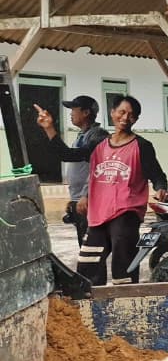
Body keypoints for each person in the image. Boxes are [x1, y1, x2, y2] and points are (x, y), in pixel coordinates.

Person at [34, 96, 168, 284]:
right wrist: (49, 128)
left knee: (123, 269)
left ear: (136, 119)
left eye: (131, 115)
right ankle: (95, 307)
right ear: (112, 113)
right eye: (121, 112)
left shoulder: (142, 146)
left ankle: (126, 307)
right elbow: (68, 155)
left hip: (126, 212)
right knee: (88, 267)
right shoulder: (99, 144)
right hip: (98, 214)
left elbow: (157, 175)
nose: (125, 117)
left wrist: (161, 188)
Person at [56, 94, 108, 248]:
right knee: (84, 245)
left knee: (90, 248)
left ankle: (92, 273)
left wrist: (86, 195)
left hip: (89, 201)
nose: (71, 113)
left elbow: (71, 156)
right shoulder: (82, 135)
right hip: (80, 200)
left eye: (74, 109)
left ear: (86, 113)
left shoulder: (97, 135)